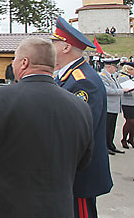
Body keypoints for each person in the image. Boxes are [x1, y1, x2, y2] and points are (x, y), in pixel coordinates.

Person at [0, 38, 94, 218]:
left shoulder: (0, 98)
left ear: (24, 63)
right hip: (56, 210)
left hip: (3, 208)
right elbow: (84, 162)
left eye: (14, 59)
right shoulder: (80, 107)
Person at [51, 16, 112, 218]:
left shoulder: (84, 82)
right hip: (68, 171)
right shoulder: (67, 76)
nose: (51, 47)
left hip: (79, 175)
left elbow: (79, 132)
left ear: (66, 47)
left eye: (54, 42)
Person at [100, 57, 130, 154]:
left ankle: (111, 145)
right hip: (108, 106)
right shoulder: (103, 76)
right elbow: (107, 90)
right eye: (115, 67)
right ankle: (105, 146)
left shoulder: (112, 76)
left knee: (112, 127)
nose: (116, 69)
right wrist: (122, 91)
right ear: (109, 67)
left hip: (114, 106)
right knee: (107, 128)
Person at [118, 62, 134, 148]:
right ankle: (124, 139)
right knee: (130, 121)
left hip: (133, 102)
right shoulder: (123, 78)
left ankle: (131, 139)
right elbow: (123, 91)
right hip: (127, 102)